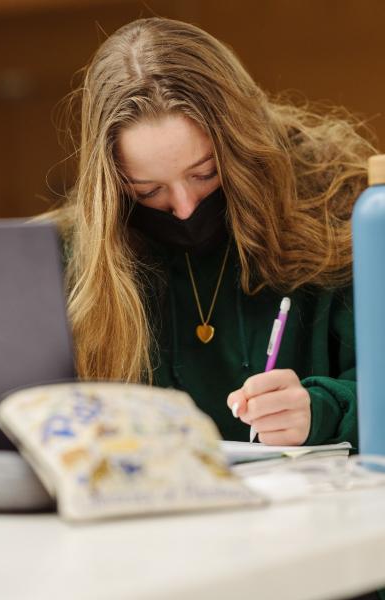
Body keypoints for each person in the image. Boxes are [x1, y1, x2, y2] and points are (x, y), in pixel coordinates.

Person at [48, 17, 375, 448]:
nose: (184, 208)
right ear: (111, 188)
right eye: (148, 191)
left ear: (242, 146)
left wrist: (324, 409)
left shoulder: (341, 209)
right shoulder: (70, 257)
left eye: (204, 174)